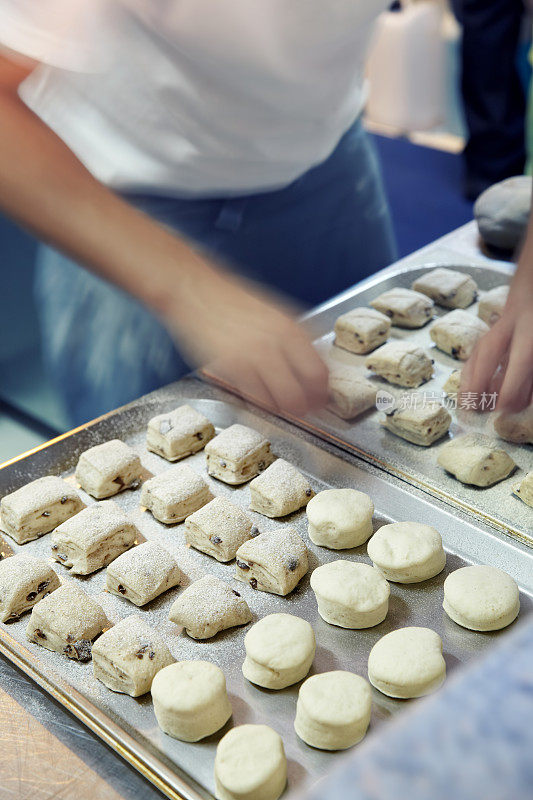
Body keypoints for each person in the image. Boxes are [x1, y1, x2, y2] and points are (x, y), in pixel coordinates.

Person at [0, 1, 530, 427]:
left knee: (374, 422)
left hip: (326, 166)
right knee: (136, 487)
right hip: (123, 204)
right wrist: (187, 288)